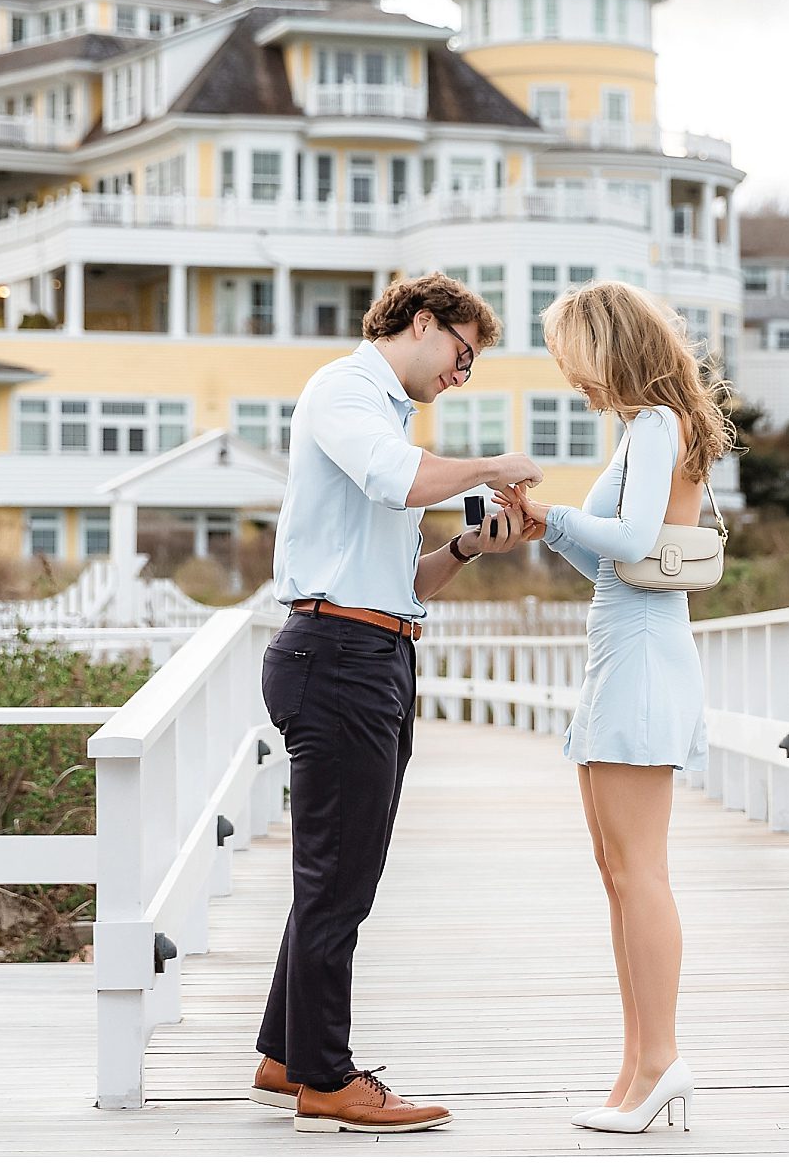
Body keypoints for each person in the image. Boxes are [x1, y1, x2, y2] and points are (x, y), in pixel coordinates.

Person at [249, 272, 543, 1134]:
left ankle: (287, 1053)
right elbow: (394, 481)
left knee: (338, 876)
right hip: (336, 658)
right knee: (338, 880)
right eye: (462, 354)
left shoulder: (386, 420)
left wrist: (462, 547)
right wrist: (492, 464)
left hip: (365, 649)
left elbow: (397, 583)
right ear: (422, 323)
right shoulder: (347, 391)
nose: (464, 374)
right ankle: (328, 1079)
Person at [496, 281, 736, 1135]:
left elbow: (632, 543)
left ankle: (662, 1060)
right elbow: (619, 560)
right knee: (617, 876)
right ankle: (637, 1066)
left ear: (606, 347)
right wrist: (547, 526)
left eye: (572, 359)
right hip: (619, 654)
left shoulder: (654, 427)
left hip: (638, 661)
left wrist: (556, 511)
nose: (572, 380)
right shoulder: (645, 428)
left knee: (640, 873)